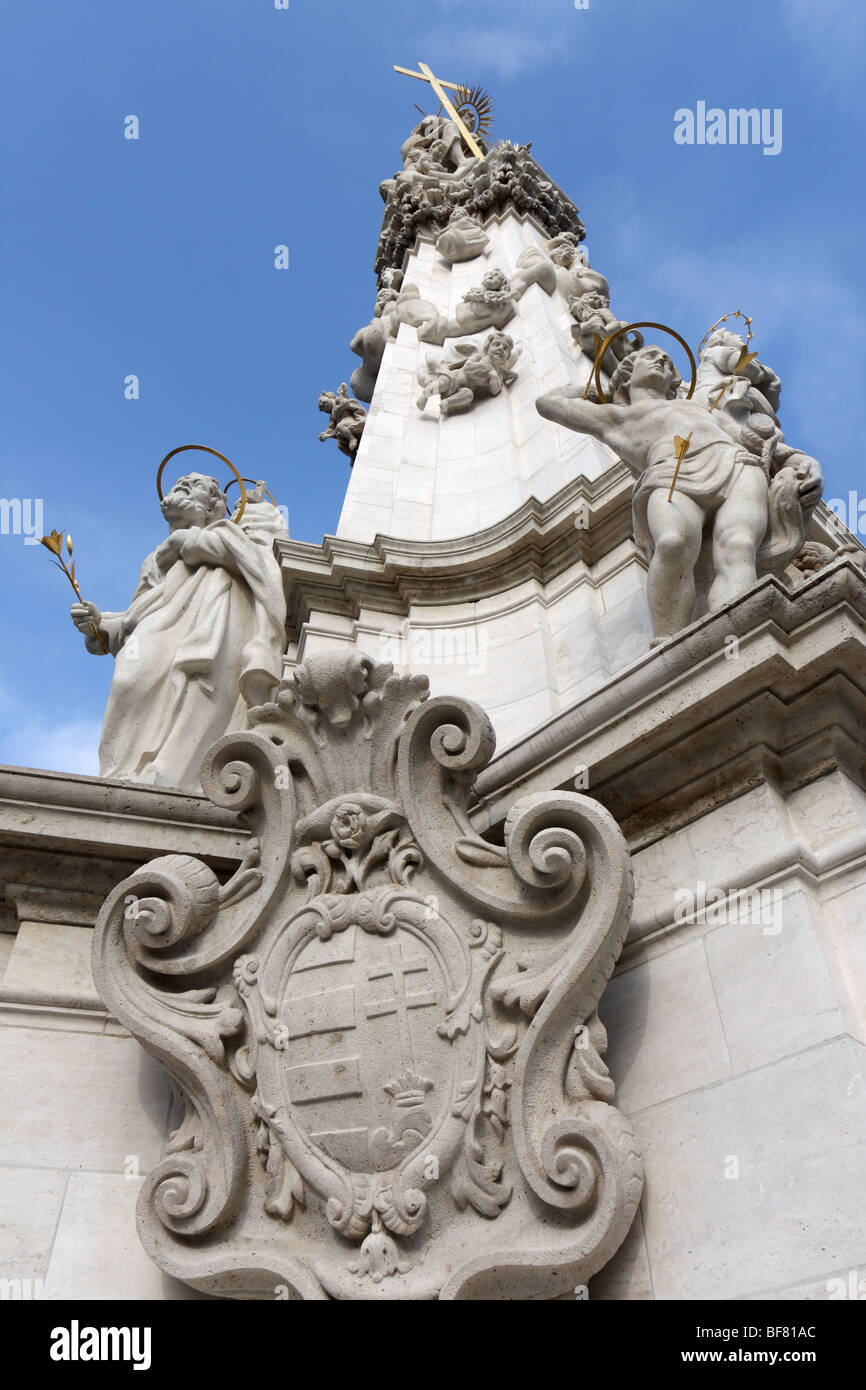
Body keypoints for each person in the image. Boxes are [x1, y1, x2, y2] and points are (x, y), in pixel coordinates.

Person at [537, 346, 822, 641]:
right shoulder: (616, 417)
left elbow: (755, 441)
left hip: (736, 465)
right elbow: (548, 403)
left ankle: (742, 632)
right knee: (673, 543)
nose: (662, 360)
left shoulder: (699, 409)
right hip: (669, 473)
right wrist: (592, 389)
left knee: (738, 546)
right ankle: (669, 646)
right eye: (650, 356)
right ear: (626, 375)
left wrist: (803, 462)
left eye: (667, 360)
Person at [70, 473, 288, 791]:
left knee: (196, 687)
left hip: (214, 626)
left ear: (217, 505)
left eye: (195, 483)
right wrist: (99, 624)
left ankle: (172, 775)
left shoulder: (231, 534)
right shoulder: (155, 560)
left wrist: (192, 542)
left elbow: (263, 567)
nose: (183, 484)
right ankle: (121, 774)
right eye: (180, 481)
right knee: (129, 680)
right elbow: (137, 614)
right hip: (157, 632)